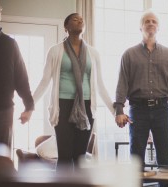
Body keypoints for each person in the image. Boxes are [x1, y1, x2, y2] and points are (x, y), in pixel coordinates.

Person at [33, 13, 114, 172]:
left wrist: (115, 111)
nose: (79, 20)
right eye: (74, 19)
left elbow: (100, 85)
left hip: (86, 107)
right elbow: (44, 80)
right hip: (62, 106)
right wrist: (30, 106)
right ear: (66, 27)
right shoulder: (55, 51)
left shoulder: (93, 53)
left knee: (80, 158)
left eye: (81, 19)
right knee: (64, 156)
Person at [114, 10, 168, 169]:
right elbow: (122, 84)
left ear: (158, 27)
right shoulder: (129, 55)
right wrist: (119, 111)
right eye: (147, 21)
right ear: (140, 27)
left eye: (154, 21)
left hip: (161, 109)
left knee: (164, 155)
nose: (150, 24)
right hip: (137, 110)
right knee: (136, 157)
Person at [0, 0, 34, 149]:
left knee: (1, 159)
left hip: (3, 112)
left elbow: (21, 78)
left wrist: (29, 106)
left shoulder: (9, 44)